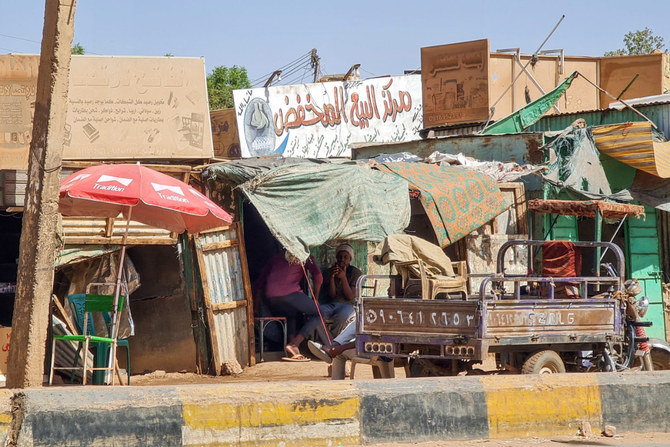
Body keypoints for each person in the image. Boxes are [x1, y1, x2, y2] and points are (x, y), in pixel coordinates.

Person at [254, 250, 323, 361]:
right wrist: (315, 298)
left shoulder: (277, 257)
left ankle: (293, 351)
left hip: (271, 297)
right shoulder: (305, 256)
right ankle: (295, 343)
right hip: (290, 293)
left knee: (291, 314)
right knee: (320, 312)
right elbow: (318, 277)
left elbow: (259, 283)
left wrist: (256, 306)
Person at [320, 244, 362, 335]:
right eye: (340, 257)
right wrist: (332, 278)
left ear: (350, 259)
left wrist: (343, 278)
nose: (342, 259)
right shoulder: (329, 272)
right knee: (317, 313)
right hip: (332, 304)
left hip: (347, 305)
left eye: (345, 257)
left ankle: (333, 341)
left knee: (342, 317)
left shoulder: (355, 273)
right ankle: (327, 341)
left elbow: (350, 296)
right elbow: (332, 295)